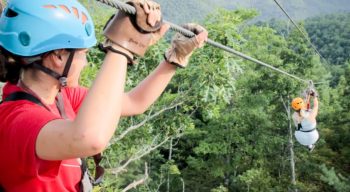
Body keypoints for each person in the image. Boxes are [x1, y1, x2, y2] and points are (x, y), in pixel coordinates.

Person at [0, 0, 208, 191]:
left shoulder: (61, 98)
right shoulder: (16, 120)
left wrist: (174, 59)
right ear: (58, 56)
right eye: (83, 53)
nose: (86, 62)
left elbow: (134, 102)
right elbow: (90, 139)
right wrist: (121, 47)